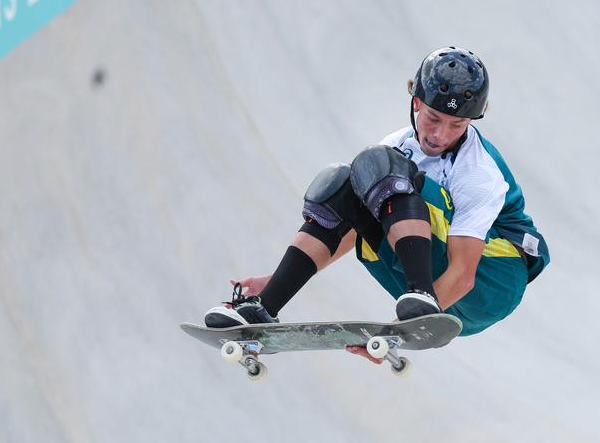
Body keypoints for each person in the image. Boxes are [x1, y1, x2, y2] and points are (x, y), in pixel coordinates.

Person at [204, 46, 550, 363]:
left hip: (493, 280)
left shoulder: (478, 171)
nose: (440, 135)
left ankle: (421, 296)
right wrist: (279, 278)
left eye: (456, 125)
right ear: (416, 102)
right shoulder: (397, 145)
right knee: (345, 183)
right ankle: (265, 307)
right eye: (433, 118)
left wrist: (399, 331)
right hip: (442, 281)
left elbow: (462, 275)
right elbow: (352, 228)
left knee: (385, 167)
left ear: (471, 122)